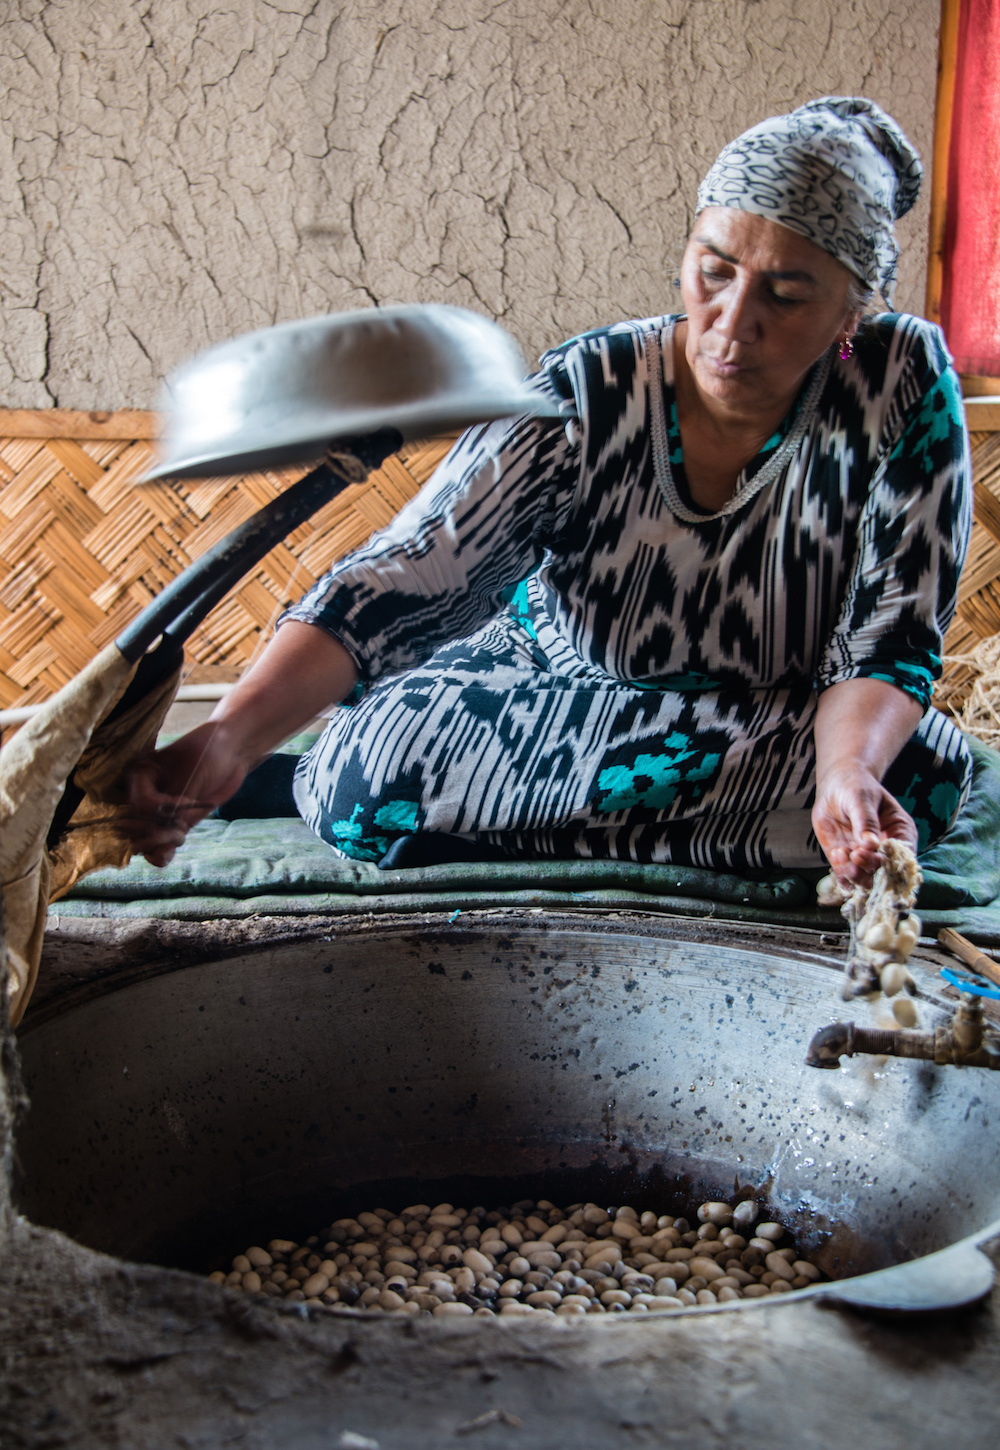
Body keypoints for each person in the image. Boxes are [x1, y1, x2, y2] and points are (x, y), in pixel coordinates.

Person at [125, 96, 972, 892]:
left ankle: (547, 820)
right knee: (367, 765)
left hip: (781, 714)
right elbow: (417, 570)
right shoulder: (594, 383)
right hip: (560, 691)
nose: (733, 320)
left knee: (913, 773)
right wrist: (227, 737)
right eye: (713, 270)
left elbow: (892, 638)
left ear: (853, 311)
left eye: (786, 295)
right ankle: (740, 840)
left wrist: (846, 774)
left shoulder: (901, 384)